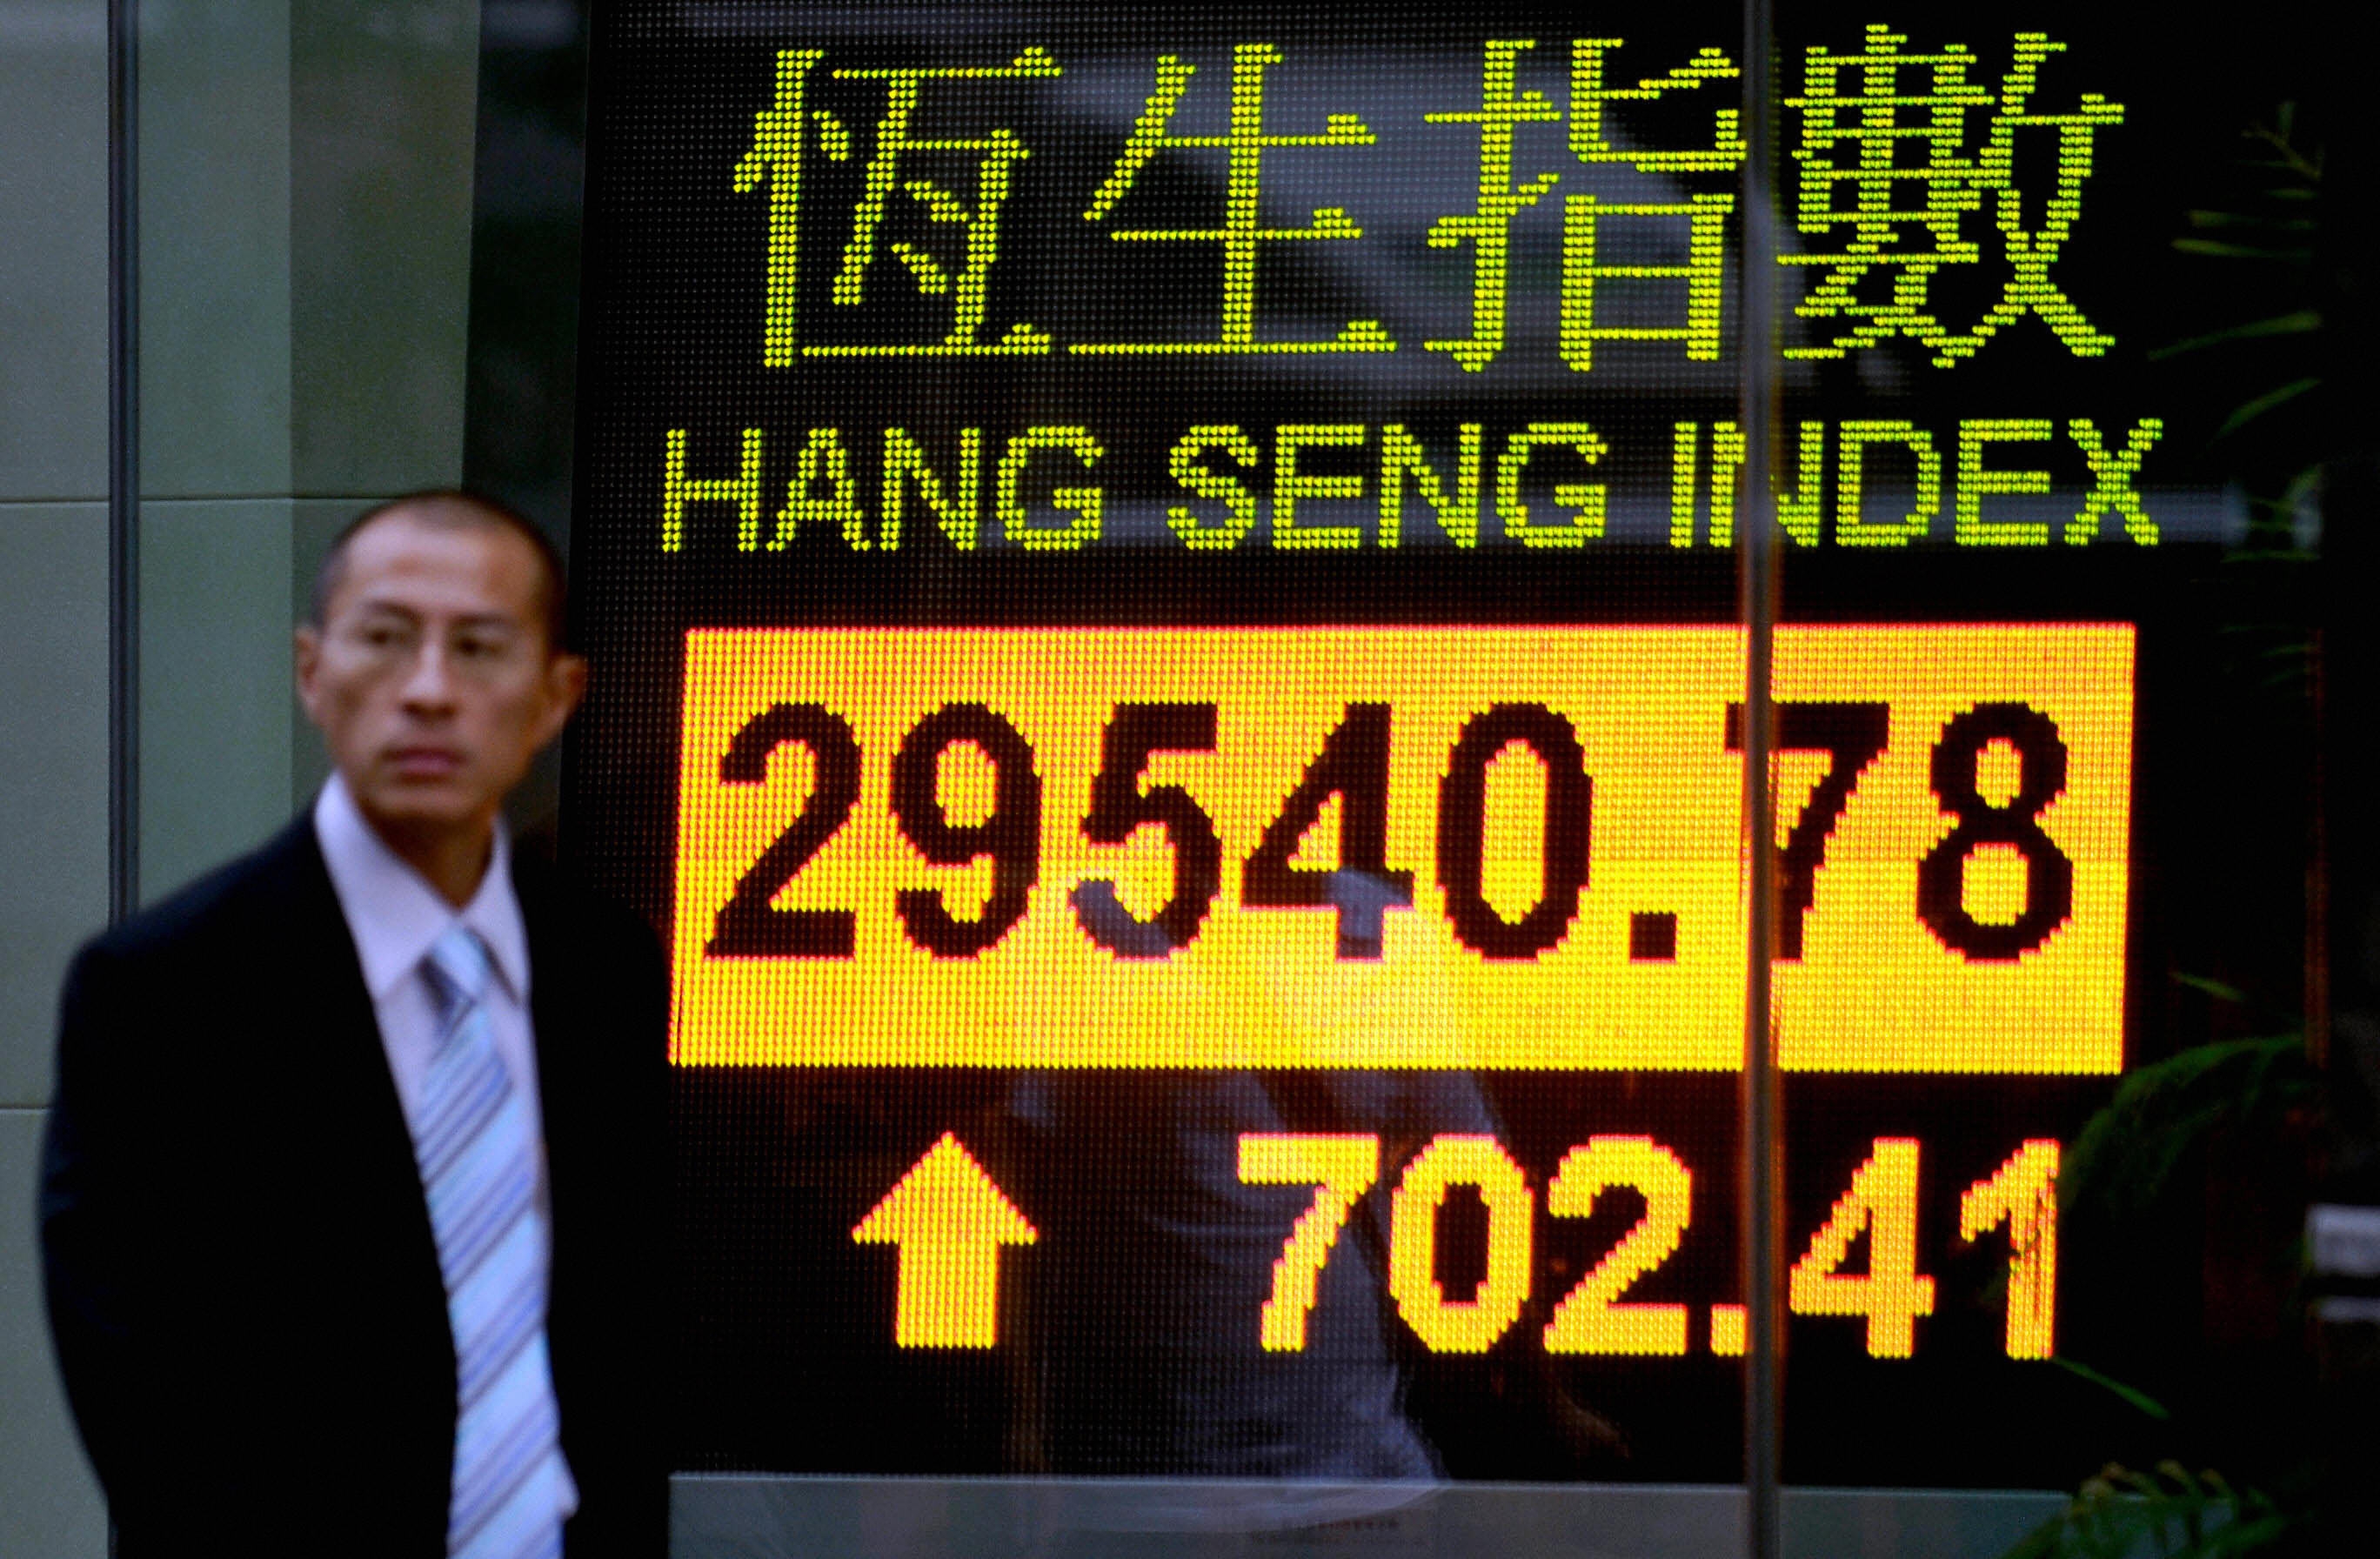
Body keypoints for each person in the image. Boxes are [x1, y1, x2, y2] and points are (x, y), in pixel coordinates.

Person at [39, 492, 665, 1558]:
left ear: (558, 696)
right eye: (384, 639)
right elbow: (138, 1386)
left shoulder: (603, 967)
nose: (429, 691)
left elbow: (616, 1339)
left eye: (479, 647)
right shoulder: (163, 989)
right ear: (310, 671)